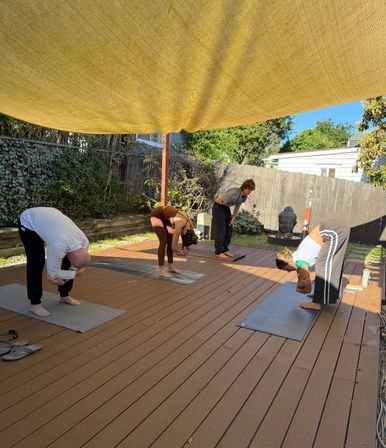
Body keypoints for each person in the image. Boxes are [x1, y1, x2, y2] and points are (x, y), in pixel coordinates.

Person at [18, 207, 91, 317]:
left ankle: (64, 295)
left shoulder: (84, 242)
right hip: (28, 222)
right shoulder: (58, 246)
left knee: (67, 263)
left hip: (49, 218)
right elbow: (51, 275)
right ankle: (35, 304)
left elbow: (76, 264)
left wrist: (73, 272)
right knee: (36, 262)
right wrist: (73, 274)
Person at [276, 219, 349, 310]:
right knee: (331, 262)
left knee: (322, 264)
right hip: (337, 228)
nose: (288, 271)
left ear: (288, 262)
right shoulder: (298, 257)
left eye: (286, 269)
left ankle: (316, 303)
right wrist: (301, 284)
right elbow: (303, 282)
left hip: (334, 230)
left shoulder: (300, 261)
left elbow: (307, 289)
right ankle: (323, 295)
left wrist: (300, 286)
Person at [212, 179, 255, 259]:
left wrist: (233, 219)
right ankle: (218, 251)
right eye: (249, 190)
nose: (249, 192)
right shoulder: (234, 192)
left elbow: (237, 206)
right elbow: (219, 200)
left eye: (251, 190)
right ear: (245, 188)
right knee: (221, 229)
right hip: (218, 206)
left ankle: (225, 249)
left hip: (226, 207)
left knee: (229, 227)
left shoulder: (244, 197)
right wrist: (224, 207)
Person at [150, 205, 198, 278]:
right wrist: (178, 251)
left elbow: (188, 238)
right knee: (163, 241)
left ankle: (170, 266)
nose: (181, 233)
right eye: (182, 233)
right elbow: (174, 247)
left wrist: (187, 248)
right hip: (157, 215)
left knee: (170, 240)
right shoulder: (180, 224)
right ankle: (161, 270)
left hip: (165, 218)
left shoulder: (190, 226)